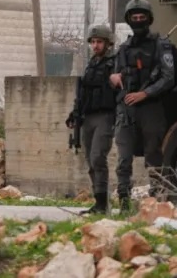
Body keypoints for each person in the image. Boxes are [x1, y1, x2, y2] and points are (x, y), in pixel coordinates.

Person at [110, 0, 177, 210]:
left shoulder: (161, 45)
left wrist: (145, 94)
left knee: (154, 155)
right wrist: (113, 78)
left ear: (149, 19)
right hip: (126, 108)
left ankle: (156, 202)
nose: (138, 21)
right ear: (128, 20)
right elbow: (115, 73)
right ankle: (124, 203)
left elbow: (168, 77)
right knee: (123, 158)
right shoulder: (124, 48)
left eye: (142, 17)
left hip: (151, 107)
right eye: (134, 18)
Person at [66, 24, 119, 214]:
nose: (95, 46)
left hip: (105, 116)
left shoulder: (114, 63)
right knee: (90, 160)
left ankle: (103, 204)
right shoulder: (91, 65)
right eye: (93, 42)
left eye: (99, 42)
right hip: (88, 117)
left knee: (98, 157)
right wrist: (75, 113)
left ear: (108, 44)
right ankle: (99, 202)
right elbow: (82, 93)